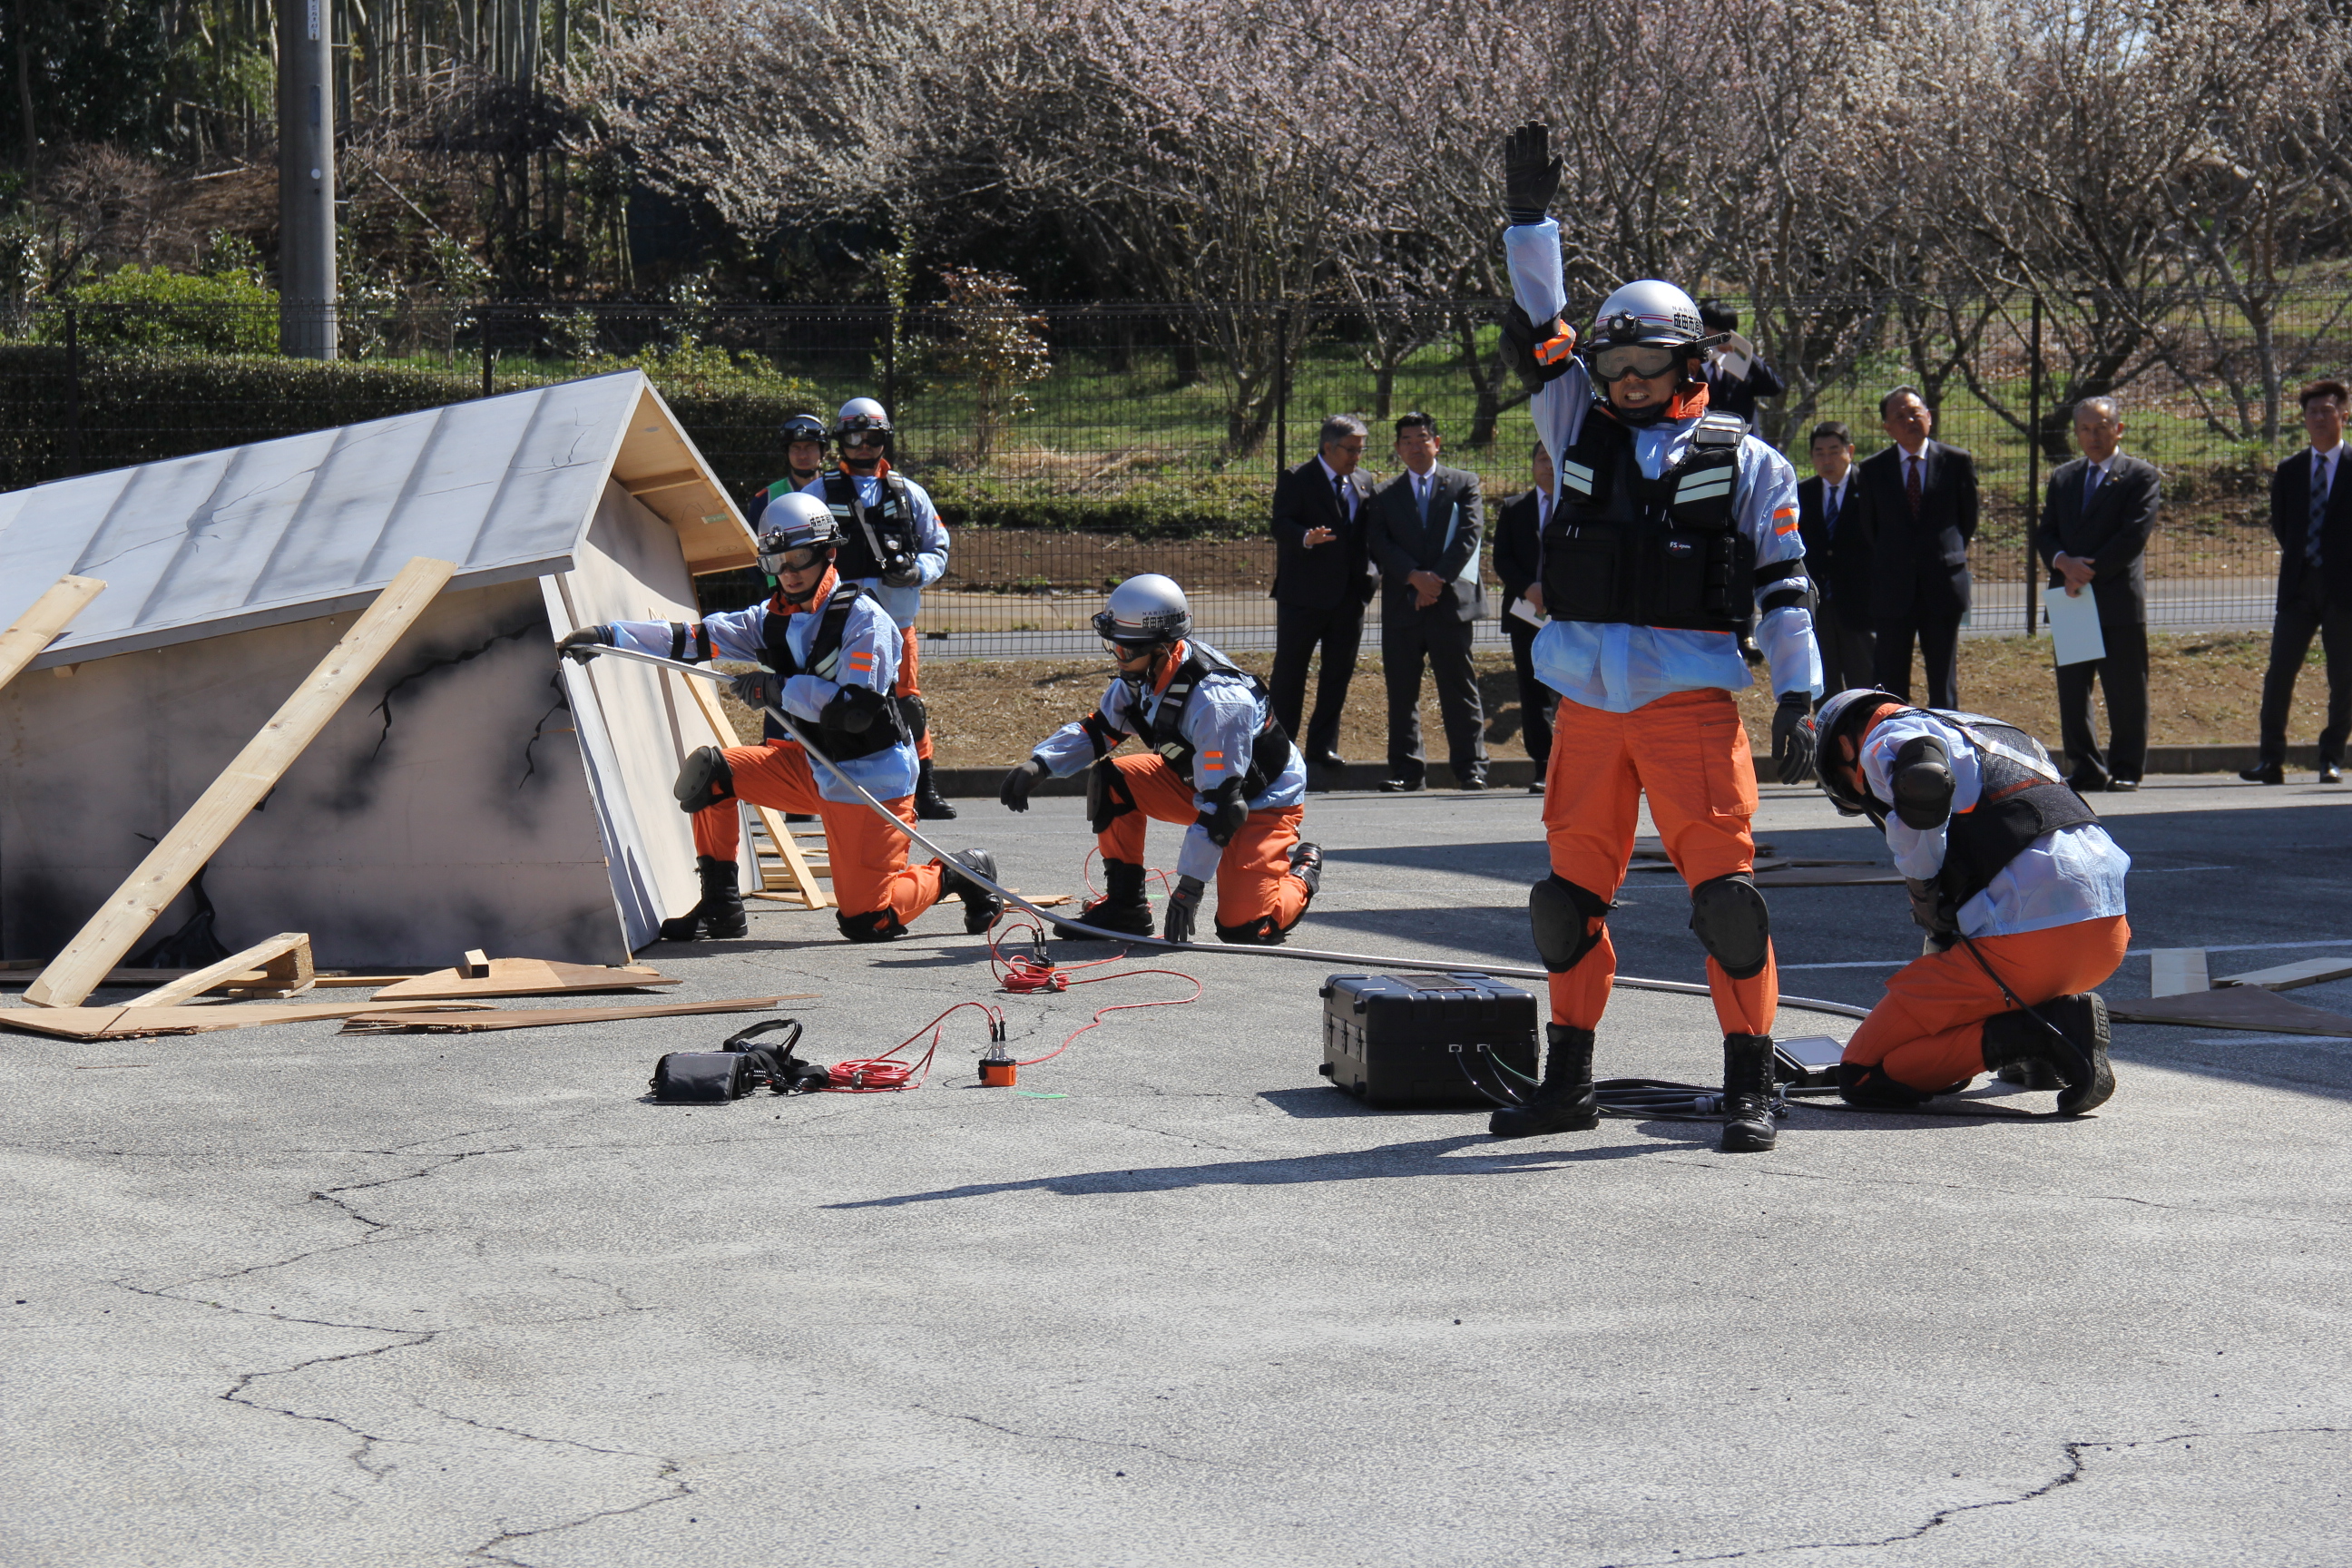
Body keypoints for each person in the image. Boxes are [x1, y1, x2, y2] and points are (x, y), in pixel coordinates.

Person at [1491, 121, 1823, 1154]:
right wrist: (1530, 222)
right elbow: (1536, 318)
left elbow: (1783, 584)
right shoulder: (1573, 420)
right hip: (1587, 707)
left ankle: (1747, 1082)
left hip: (1689, 705)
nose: (1628, 382)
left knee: (1725, 901)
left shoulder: (1750, 460)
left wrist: (1801, 692)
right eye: (1615, 363)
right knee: (1564, 902)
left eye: (1650, 363)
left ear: (1694, 362)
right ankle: (1570, 1081)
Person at [555, 495, 1002, 944]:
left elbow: (856, 712)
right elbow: (694, 638)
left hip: (869, 782)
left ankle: (962, 872)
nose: (788, 572)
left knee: (868, 921)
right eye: (776, 560)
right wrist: (608, 636)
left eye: (799, 557)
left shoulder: (866, 620)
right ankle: (720, 905)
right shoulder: (768, 619)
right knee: (712, 774)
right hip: (810, 767)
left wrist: (778, 689)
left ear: (829, 552)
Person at [1809, 688, 2127, 1113]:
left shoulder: (1887, 736)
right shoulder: (1993, 730)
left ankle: (2045, 1035)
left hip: (2027, 945)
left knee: (1863, 1075)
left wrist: (1924, 893)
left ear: (1844, 746)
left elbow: (1923, 781)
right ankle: (2037, 1043)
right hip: (2106, 934)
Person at [998, 574, 1323, 946]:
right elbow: (1102, 728)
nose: (1117, 657)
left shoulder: (1216, 705)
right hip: (1204, 785)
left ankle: (1302, 872)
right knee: (1113, 778)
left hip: (1261, 804)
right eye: (1114, 646)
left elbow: (1223, 807)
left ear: (1163, 647)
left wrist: (1189, 887)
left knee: (1245, 929)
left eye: (1125, 650)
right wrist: (1040, 764)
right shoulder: (1144, 673)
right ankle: (1126, 907)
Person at [793, 397, 959, 820]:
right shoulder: (817, 493)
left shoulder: (909, 494)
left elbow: (937, 546)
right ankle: (811, 790)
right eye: (853, 437)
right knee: (827, 702)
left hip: (896, 625)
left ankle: (924, 788)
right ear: (840, 441)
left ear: (884, 440)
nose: (863, 446)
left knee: (907, 704)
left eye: (872, 438)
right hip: (834, 626)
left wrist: (917, 571)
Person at [2034, 396, 2161, 792]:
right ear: (2076, 434)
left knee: (2125, 690)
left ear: (2118, 429)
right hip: (2071, 597)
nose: (2093, 435)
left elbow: (2133, 536)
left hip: (2115, 598)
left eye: (2102, 427)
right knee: (2073, 692)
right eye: (2085, 429)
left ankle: (2126, 767)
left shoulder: (2140, 476)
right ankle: (2086, 766)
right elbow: (2046, 532)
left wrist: (2084, 571)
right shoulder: (2064, 477)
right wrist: (2062, 563)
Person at [1365, 411, 1488, 791]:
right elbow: (1379, 542)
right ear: (1398, 448)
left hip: (1450, 603)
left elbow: (1470, 533)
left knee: (1458, 686)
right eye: (1407, 441)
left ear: (1437, 442)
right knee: (1402, 691)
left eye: (1422, 439)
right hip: (1404, 604)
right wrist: (1415, 578)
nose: (1415, 447)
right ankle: (1406, 770)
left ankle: (1471, 768)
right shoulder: (1384, 494)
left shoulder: (1463, 483)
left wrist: (1435, 581)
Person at [2242, 379, 2351, 786]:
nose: (2319, 419)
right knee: (2279, 673)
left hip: (2345, 590)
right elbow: (2282, 524)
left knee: (2344, 677)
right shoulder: (2289, 471)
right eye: (2312, 413)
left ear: (2344, 414)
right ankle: (2270, 759)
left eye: (2327, 411)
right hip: (2298, 586)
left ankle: (2331, 758)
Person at [1268, 414, 1377, 778]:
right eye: (1350, 450)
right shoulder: (1298, 478)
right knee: (1290, 674)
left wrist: (1371, 578)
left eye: (1361, 450)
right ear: (1328, 447)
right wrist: (1305, 537)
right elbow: (1279, 523)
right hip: (1303, 596)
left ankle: (1323, 746)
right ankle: (1280, 749)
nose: (1356, 457)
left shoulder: (1363, 481)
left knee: (1337, 675)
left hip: (1349, 598)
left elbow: (1369, 534)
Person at [1857, 387, 1978, 708]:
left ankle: (1948, 747)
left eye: (1915, 412)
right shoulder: (1872, 470)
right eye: (1899, 416)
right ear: (1887, 427)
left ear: (1929, 416)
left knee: (1943, 682)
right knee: (1890, 683)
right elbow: (1870, 529)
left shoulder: (1956, 462)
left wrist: (1938, 554)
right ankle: (1895, 748)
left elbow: (1967, 521)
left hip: (1942, 585)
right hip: (1893, 588)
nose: (1909, 420)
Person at [1491, 440, 1555, 792]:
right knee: (1533, 691)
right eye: (1541, 458)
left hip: (1573, 615)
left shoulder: (1579, 505)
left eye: (1553, 457)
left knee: (1577, 691)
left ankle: (1578, 764)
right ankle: (1543, 766)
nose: (1547, 465)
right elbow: (1502, 558)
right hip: (1526, 613)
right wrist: (1528, 587)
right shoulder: (1516, 508)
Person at [1797, 421, 1876, 702]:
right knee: (1823, 685)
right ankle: (1829, 741)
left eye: (1834, 451)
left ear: (1850, 451)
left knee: (1864, 683)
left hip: (1859, 603)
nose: (1827, 460)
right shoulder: (1801, 493)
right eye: (1819, 453)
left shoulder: (1870, 490)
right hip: (1817, 604)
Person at [1695, 299, 1786, 431]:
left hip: (1740, 443)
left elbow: (1775, 387)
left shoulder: (1742, 365)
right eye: (1707, 336)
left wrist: (1744, 353)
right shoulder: (1690, 368)